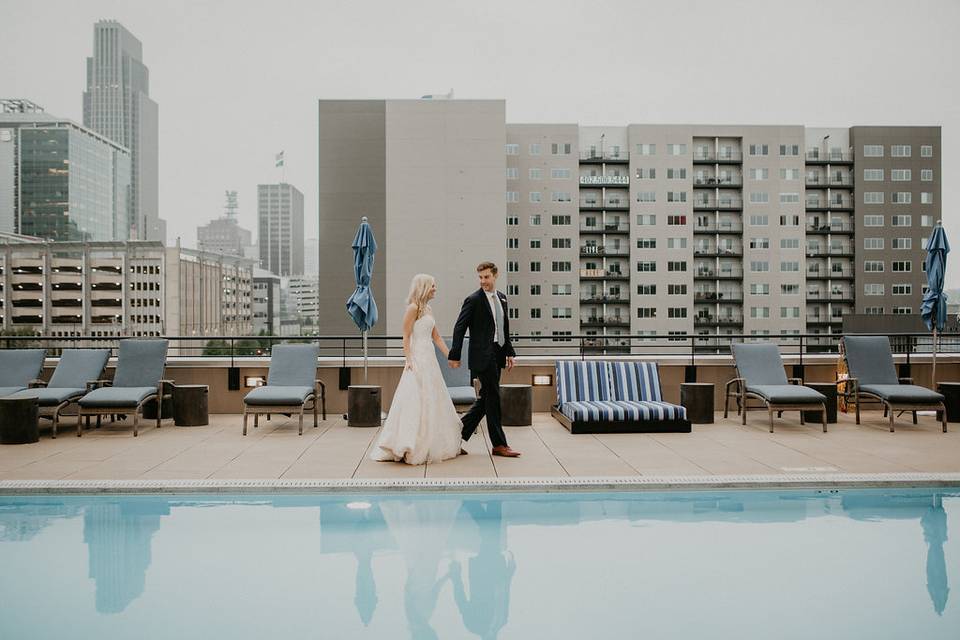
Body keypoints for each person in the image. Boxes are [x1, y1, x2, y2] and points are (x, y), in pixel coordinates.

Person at [371, 274, 463, 464]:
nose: (435, 289)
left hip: (430, 359)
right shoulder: (412, 308)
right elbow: (405, 336)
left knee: (433, 397)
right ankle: (407, 442)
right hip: (417, 358)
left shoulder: (428, 309)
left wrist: (451, 356)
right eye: (433, 286)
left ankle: (432, 441)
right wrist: (409, 359)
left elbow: (436, 337)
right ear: (424, 287)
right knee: (414, 398)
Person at [448, 262, 521, 458]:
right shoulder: (473, 300)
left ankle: (455, 436)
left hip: (497, 355)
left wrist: (509, 352)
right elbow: (459, 328)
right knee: (494, 398)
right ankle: (499, 444)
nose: (483, 281)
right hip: (482, 357)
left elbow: (503, 328)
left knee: (487, 398)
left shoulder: (502, 298)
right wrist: (454, 354)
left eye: (486, 277)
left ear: (495, 276)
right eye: (480, 278)